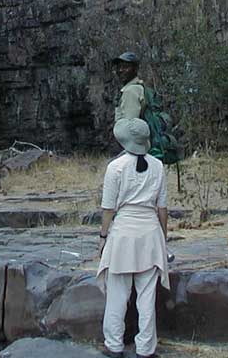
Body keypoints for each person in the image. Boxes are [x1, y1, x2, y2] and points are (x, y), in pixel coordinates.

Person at [98, 118, 169, 358]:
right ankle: (146, 349)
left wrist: (102, 236)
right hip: (150, 234)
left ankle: (114, 345)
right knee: (147, 297)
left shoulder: (115, 167)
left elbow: (108, 209)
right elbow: (162, 209)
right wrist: (163, 237)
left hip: (122, 235)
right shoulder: (158, 166)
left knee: (117, 294)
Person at [112, 52, 146, 122]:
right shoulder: (139, 87)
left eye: (125, 66)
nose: (120, 70)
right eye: (118, 67)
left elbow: (130, 125)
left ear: (135, 69)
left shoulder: (131, 91)